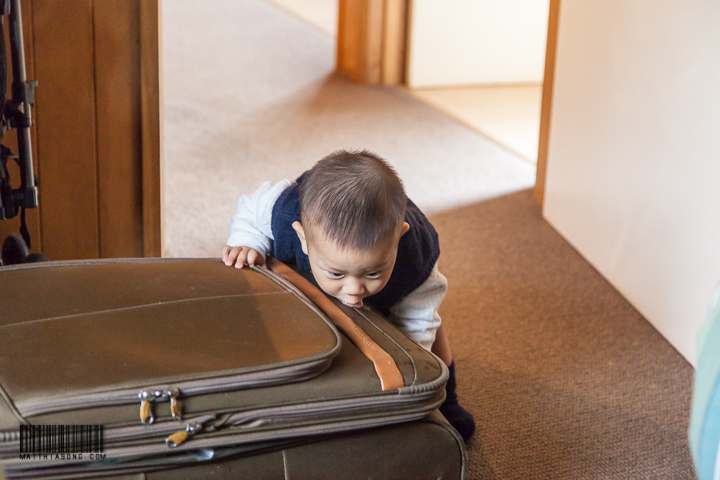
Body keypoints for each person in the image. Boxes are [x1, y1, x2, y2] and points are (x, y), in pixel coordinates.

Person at [221, 150, 475, 441]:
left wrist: (411, 364)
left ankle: (450, 400)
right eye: (337, 274)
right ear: (303, 238)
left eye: (372, 273)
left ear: (398, 238)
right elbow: (249, 210)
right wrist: (246, 241)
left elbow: (419, 328)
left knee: (431, 324)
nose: (354, 289)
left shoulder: (414, 264)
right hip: (315, 221)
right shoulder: (281, 210)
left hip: (407, 284)